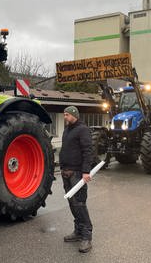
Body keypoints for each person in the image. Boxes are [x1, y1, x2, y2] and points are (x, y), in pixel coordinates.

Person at [59, 106, 94, 253]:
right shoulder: (67, 130)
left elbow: (88, 151)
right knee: (72, 204)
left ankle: (86, 236)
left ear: (74, 115)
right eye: (64, 114)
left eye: (67, 115)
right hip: (66, 172)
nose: (65, 117)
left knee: (79, 204)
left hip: (77, 173)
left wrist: (86, 171)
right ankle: (78, 231)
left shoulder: (83, 129)